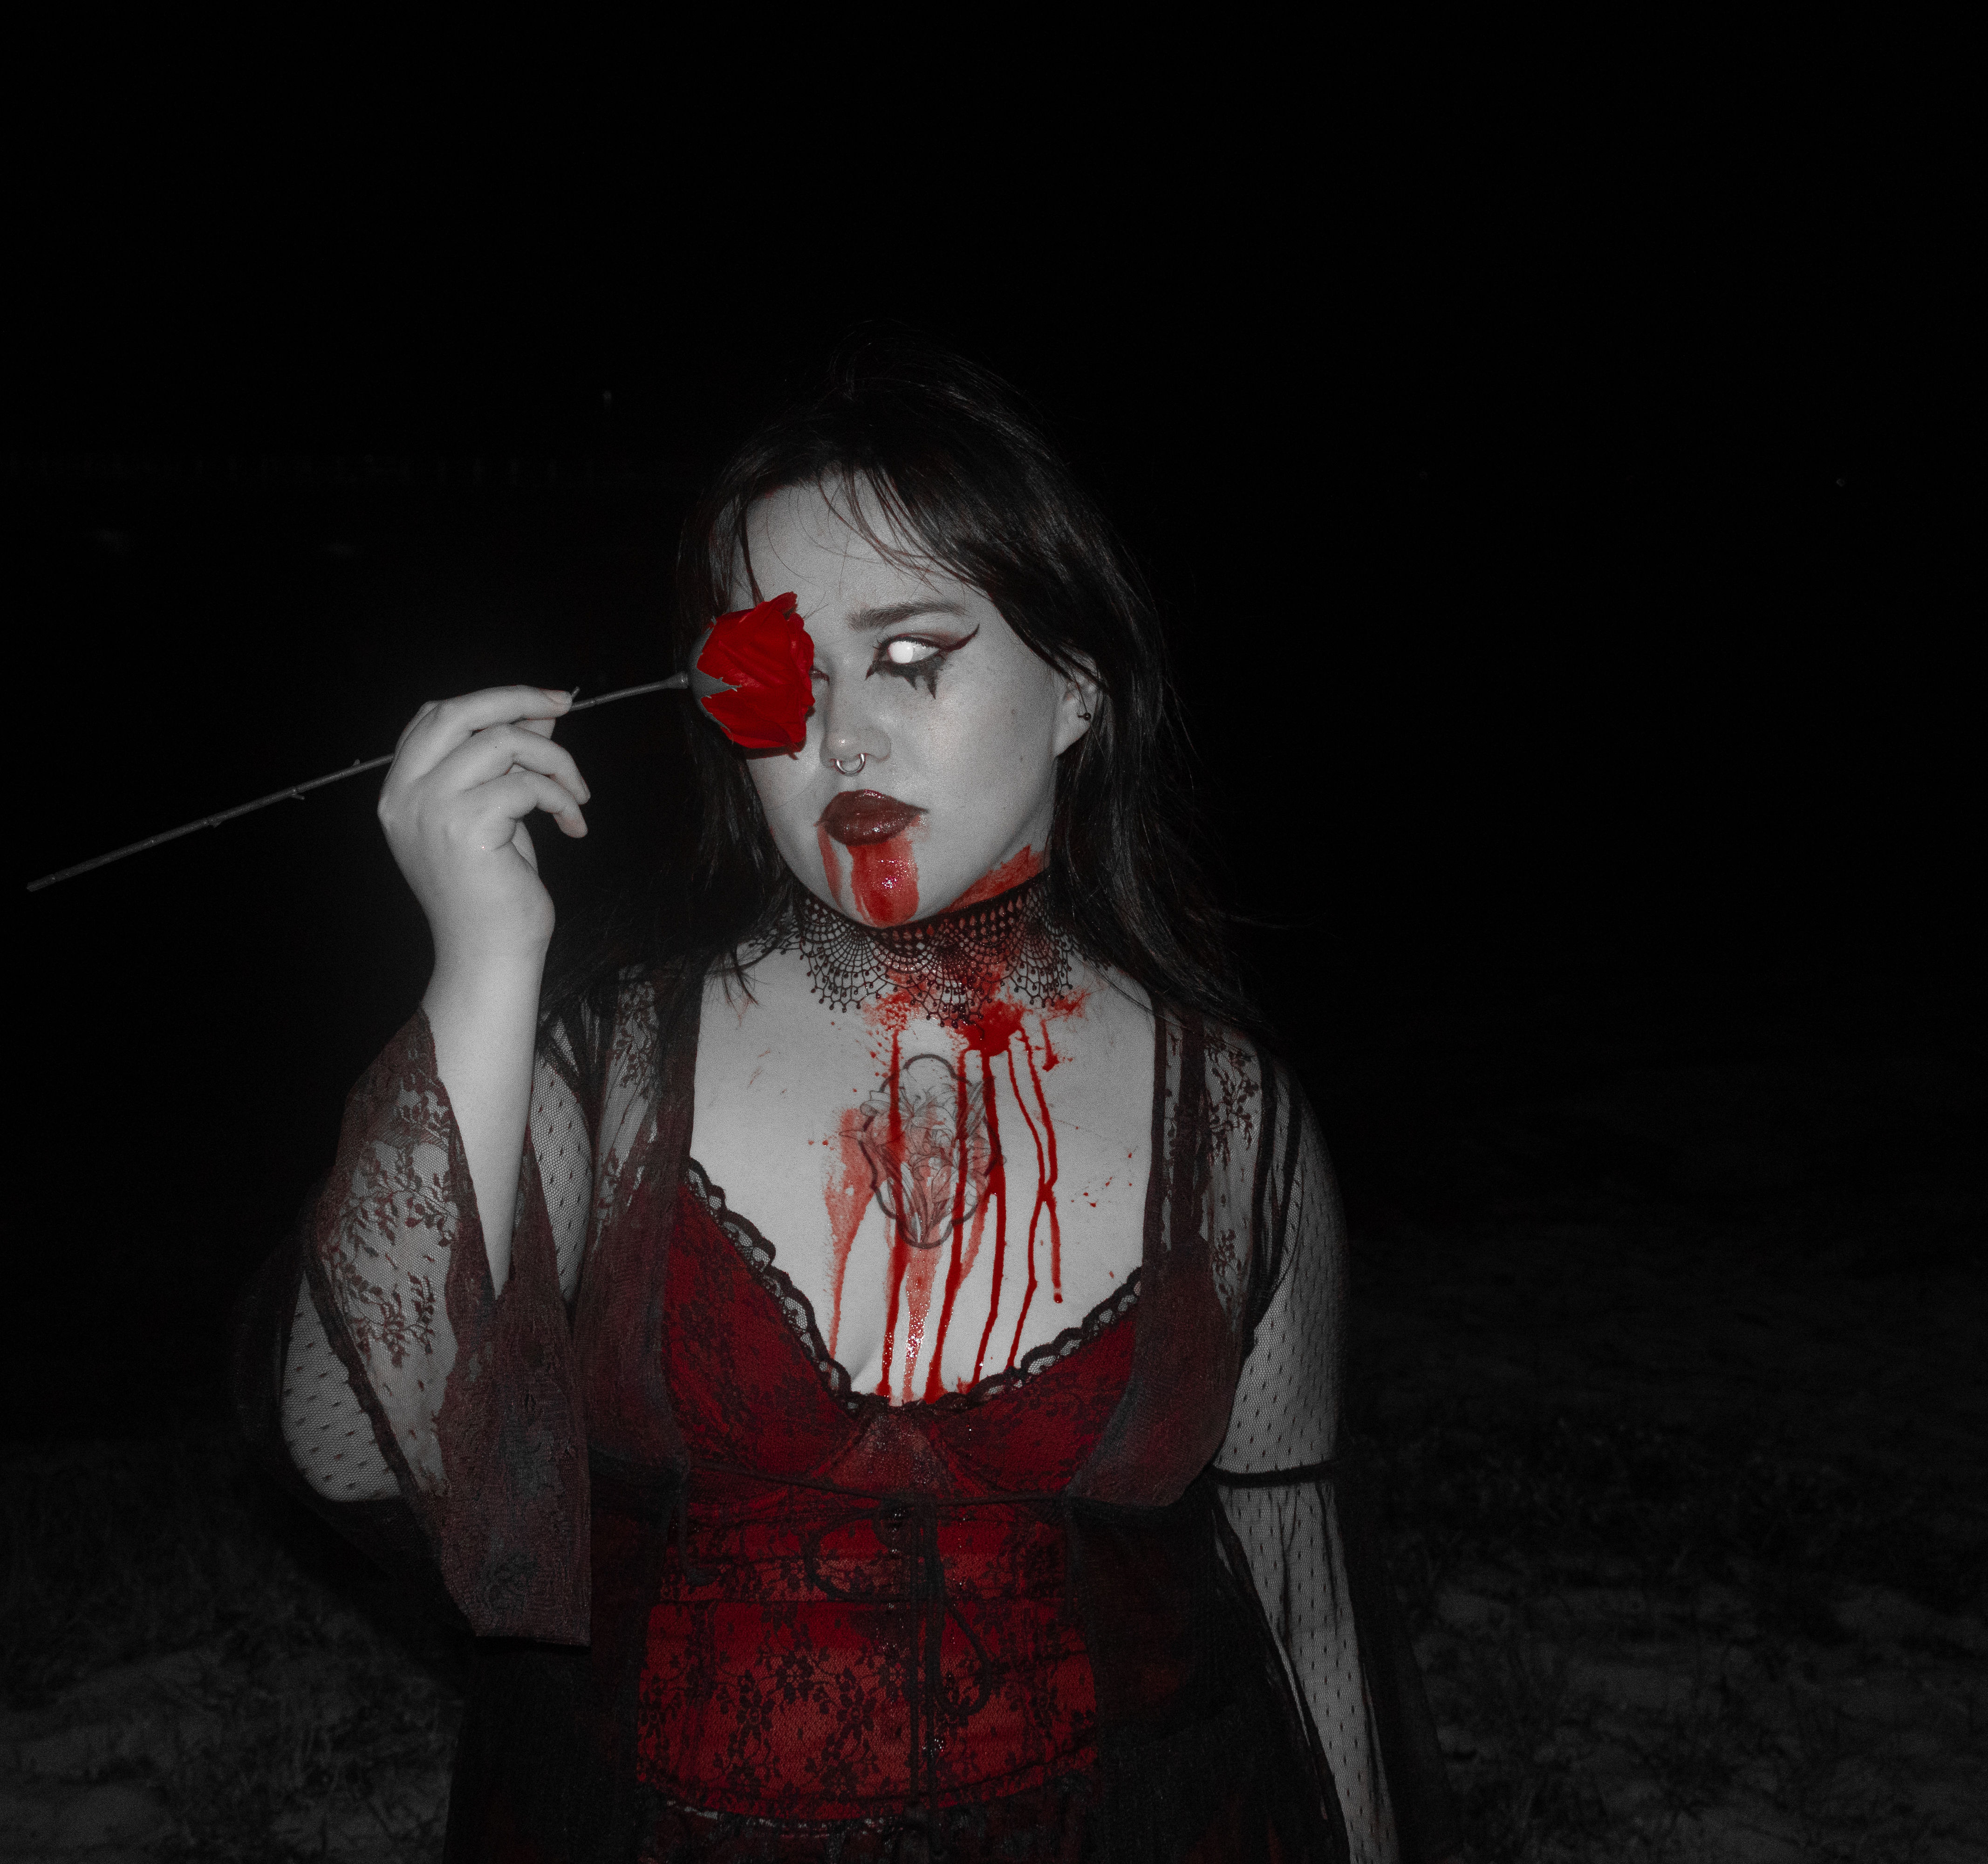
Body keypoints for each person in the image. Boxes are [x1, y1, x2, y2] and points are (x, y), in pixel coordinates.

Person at [234, 336, 1460, 1863]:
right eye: (783, 680)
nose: (841, 737)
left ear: (1078, 686)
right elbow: (349, 1446)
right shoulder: (610, 1072)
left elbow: (1295, 1582)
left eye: (910, 654)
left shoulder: (1231, 1123)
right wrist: (484, 969)